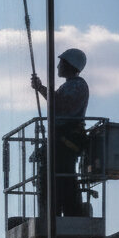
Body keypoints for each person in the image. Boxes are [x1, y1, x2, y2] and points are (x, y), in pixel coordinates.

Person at [31, 47, 90, 219]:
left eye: (61, 63)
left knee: (63, 177)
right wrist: (41, 88)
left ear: (69, 65)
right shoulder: (70, 86)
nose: (57, 67)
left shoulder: (78, 86)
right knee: (55, 175)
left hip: (66, 140)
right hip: (62, 139)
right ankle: (54, 211)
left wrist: (41, 88)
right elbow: (58, 102)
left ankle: (68, 212)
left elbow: (60, 105)